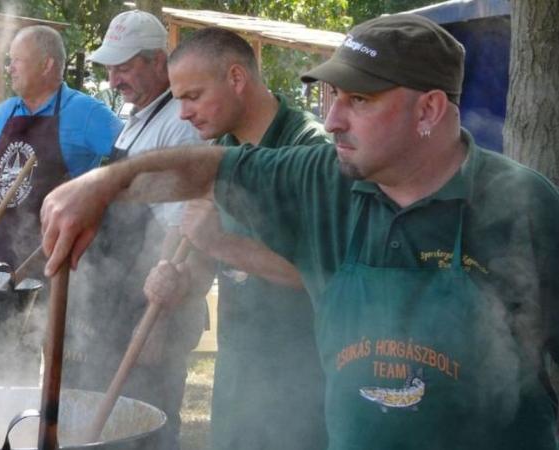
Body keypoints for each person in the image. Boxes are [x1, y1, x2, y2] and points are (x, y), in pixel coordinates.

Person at [40, 13, 559, 450]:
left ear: (428, 109)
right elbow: (208, 168)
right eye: (333, 97)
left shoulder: (526, 206)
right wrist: (105, 184)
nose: (332, 120)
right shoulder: (322, 177)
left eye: (360, 100)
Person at [146, 26, 330, 450]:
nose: (183, 114)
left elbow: (319, 272)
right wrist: (180, 283)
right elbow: (205, 263)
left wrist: (216, 242)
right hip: (239, 378)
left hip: (302, 386)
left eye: (193, 96)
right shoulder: (220, 154)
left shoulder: (308, 151)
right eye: (178, 100)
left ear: (236, 78)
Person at [60, 11, 206, 450]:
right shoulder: (138, 115)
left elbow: (180, 231)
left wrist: (155, 324)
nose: (114, 77)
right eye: (111, 66)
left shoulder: (180, 126)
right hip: (119, 303)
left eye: (125, 66)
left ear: (159, 61)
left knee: (148, 423)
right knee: (113, 424)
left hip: (152, 307)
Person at [0, 25, 122, 268]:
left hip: (55, 256)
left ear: (46, 65)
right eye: (10, 60)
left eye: (17, 60)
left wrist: (96, 196)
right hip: (1, 251)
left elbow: (131, 154)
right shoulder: (5, 112)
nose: (10, 68)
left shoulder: (87, 113)